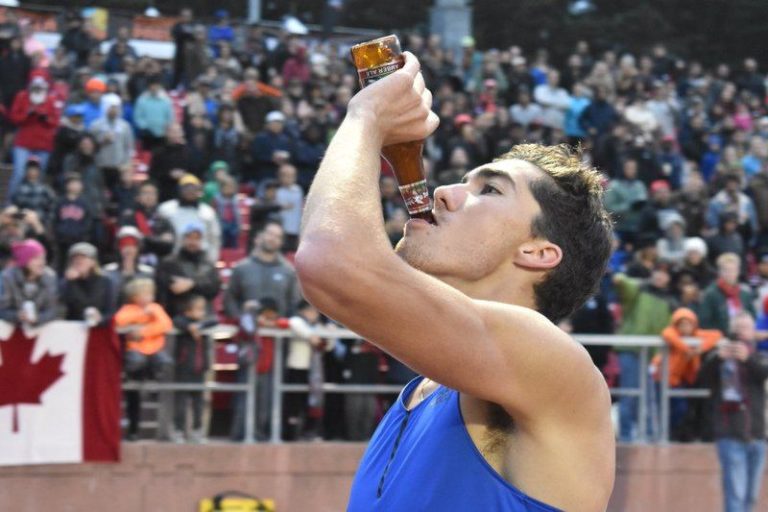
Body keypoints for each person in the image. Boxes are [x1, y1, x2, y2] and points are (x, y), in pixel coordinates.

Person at [295, 53, 614, 510]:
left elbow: (331, 262)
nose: (445, 192)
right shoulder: (423, 390)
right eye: (464, 181)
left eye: (489, 190)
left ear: (538, 252)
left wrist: (367, 116)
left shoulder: (549, 359)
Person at [699, 312, 768, 512]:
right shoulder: (719, 355)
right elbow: (701, 378)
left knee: (750, 497)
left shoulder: (758, 356)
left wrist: (747, 359)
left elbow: (763, 374)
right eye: (738, 328)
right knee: (735, 497)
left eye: (745, 328)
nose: (741, 334)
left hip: (757, 435)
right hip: (730, 434)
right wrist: (718, 358)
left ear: (753, 331)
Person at [114, 278, 174, 441]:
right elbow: (119, 323)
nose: (148, 298)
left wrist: (143, 331)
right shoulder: (127, 310)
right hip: (135, 355)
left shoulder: (155, 309)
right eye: (143, 294)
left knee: (165, 363)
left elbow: (165, 325)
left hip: (153, 353)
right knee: (134, 394)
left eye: (150, 294)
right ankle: (133, 430)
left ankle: (154, 384)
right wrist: (141, 317)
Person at [651, 308, 723, 441]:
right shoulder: (672, 333)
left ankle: (675, 434)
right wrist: (687, 349)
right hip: (664, 378)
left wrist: (699, 349)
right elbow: (668, 334)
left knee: (681, 409)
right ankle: (665, 436)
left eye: (689, 324)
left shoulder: (696, 336)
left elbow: (717, 335)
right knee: (666, 409)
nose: (685, 327)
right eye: (682, 324)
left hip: (681, 380)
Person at [171, 294, 216, 443]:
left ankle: (198, 430)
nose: (201, 313)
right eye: (197, 310)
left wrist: (199, 327)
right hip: (184, 367)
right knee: (181, 401)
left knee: (198, 402)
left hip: (200, 368)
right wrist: (189, 327)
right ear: (188, 311)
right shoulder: (182, 322)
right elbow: (176, 321)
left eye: (203, 310)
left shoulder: (204, 323)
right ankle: (179, 430)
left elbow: (215, 321)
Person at [8, 76, 59, 200]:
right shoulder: (22, 96)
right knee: (19, 173)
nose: (37, 89)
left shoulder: (50, 99)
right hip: (23, 142)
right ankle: (11, 203)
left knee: (39, 175)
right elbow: (14, 117)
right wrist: (27, 114)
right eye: (35, 87)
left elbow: (55, 121)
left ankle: (35, 204)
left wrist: (45, 118)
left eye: (40, 87)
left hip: (43, 144)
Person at [155, 221, 221, 318]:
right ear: (183, 239)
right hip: (178, 317)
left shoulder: (208, 263)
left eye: (197, 238)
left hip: (204, 316)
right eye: (189, 237)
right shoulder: (169, 263)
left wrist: (192, 284)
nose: (193, 242)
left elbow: (214, 288)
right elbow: (164, 289)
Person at [158, 174, 221, 262]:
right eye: (186, 188)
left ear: (199, 191)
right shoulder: (166, 209)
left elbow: (214, 238)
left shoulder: (208, 212)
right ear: (179, 189)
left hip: (200, 261)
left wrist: (211, 260)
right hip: (172, 258)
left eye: (193, 188)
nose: (190, 191)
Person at [0, 239, 58, 327]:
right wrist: (16, 315)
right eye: (36, 258)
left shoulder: (50, 277)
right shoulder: (7, 277)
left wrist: (38, 318)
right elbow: (2, 309)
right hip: (12, 330)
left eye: (43, 258)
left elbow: (52, 310)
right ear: (25, 261)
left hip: (39, 331)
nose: (42, 263)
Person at [59, 243, 115, 326]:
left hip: (100, 328)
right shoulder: (66, 283)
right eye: (75, 259)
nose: (79, 261)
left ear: (93, 262)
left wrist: (101, 318)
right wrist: (70, 283)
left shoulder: (105, 282)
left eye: (83, 258)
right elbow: (62, 310)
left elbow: (111, 311)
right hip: (74, 329)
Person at [699, 252, 756, 334]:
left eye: (733, 270)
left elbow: (753, 316)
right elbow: (704, 321)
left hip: (743, 336)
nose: (730, 274)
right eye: (726, 270)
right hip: (721, 337)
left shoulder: (744, 293)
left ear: (738, 271)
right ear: (720, 272)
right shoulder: (711, 294)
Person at [103, 226, 155, 306]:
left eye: (132, 245)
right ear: (119, 248)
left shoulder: (148, 273)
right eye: (124, 245)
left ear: (138, 248)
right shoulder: (107, 272)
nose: (128, 249)